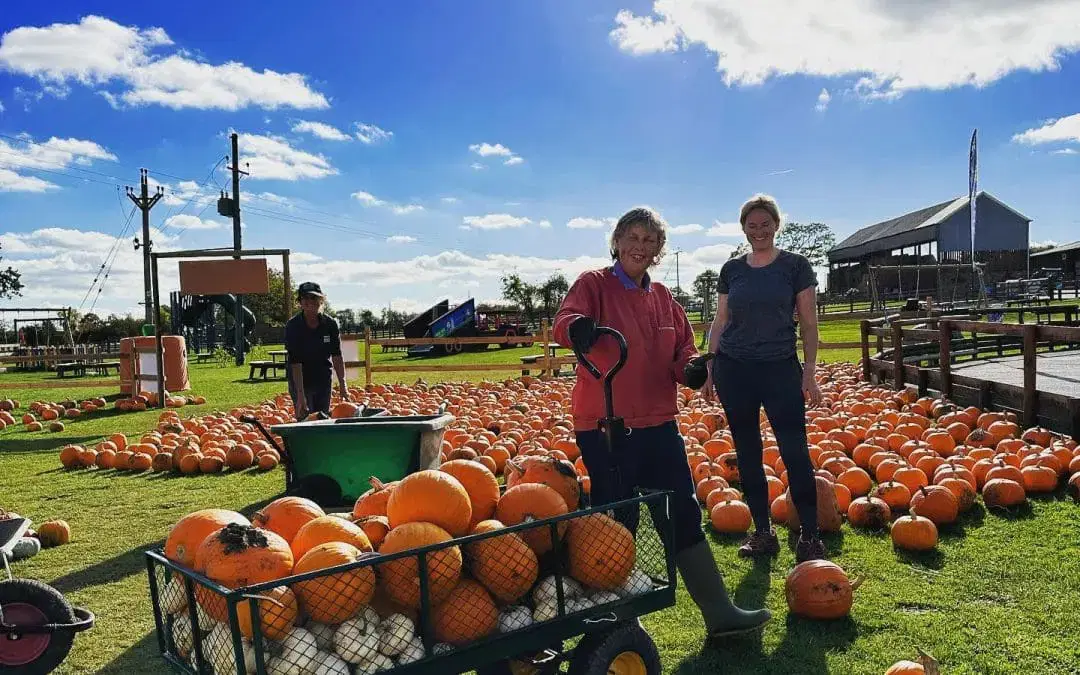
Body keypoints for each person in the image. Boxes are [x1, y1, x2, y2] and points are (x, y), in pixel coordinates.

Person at [554, 206, 772, 641]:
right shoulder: (593, 285)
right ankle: (616, 621)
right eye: (633, 237)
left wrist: (691, 370)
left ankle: (719, 613)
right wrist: (577, 328)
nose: (640, 246)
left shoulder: (666, 303)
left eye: (650, 240)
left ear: (659, 251)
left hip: (659, 423)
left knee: (683, 513)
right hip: (606, 423)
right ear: (616, 241)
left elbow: (682, 357)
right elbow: (564, 322)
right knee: (619, 520)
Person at [702, 193, 826, 562]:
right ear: (743, 228)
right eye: (751, 225)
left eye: (765, 224)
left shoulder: (795, 266)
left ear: (776, 224)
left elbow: (808, 323)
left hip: (779, 369)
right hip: (734, 370)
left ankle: (810, 536)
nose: (759, 231)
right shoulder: (732, 270)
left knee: (795, 452)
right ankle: (762, 533)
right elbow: (721, 321)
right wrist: (710, 367)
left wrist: (809, 373)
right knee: (748, 453)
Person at [284, 282, 349, 420]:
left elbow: (337, 356)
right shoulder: (293, 326)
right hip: (301, 380)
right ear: (300, 302)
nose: (309, 302)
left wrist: (343, 385)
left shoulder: (329, 324)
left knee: (322, 418)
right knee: (305, 418)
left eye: (313, 298)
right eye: (305, 298)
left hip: (323, 378)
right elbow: (295, 362)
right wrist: (300, 395)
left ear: (320, 300)